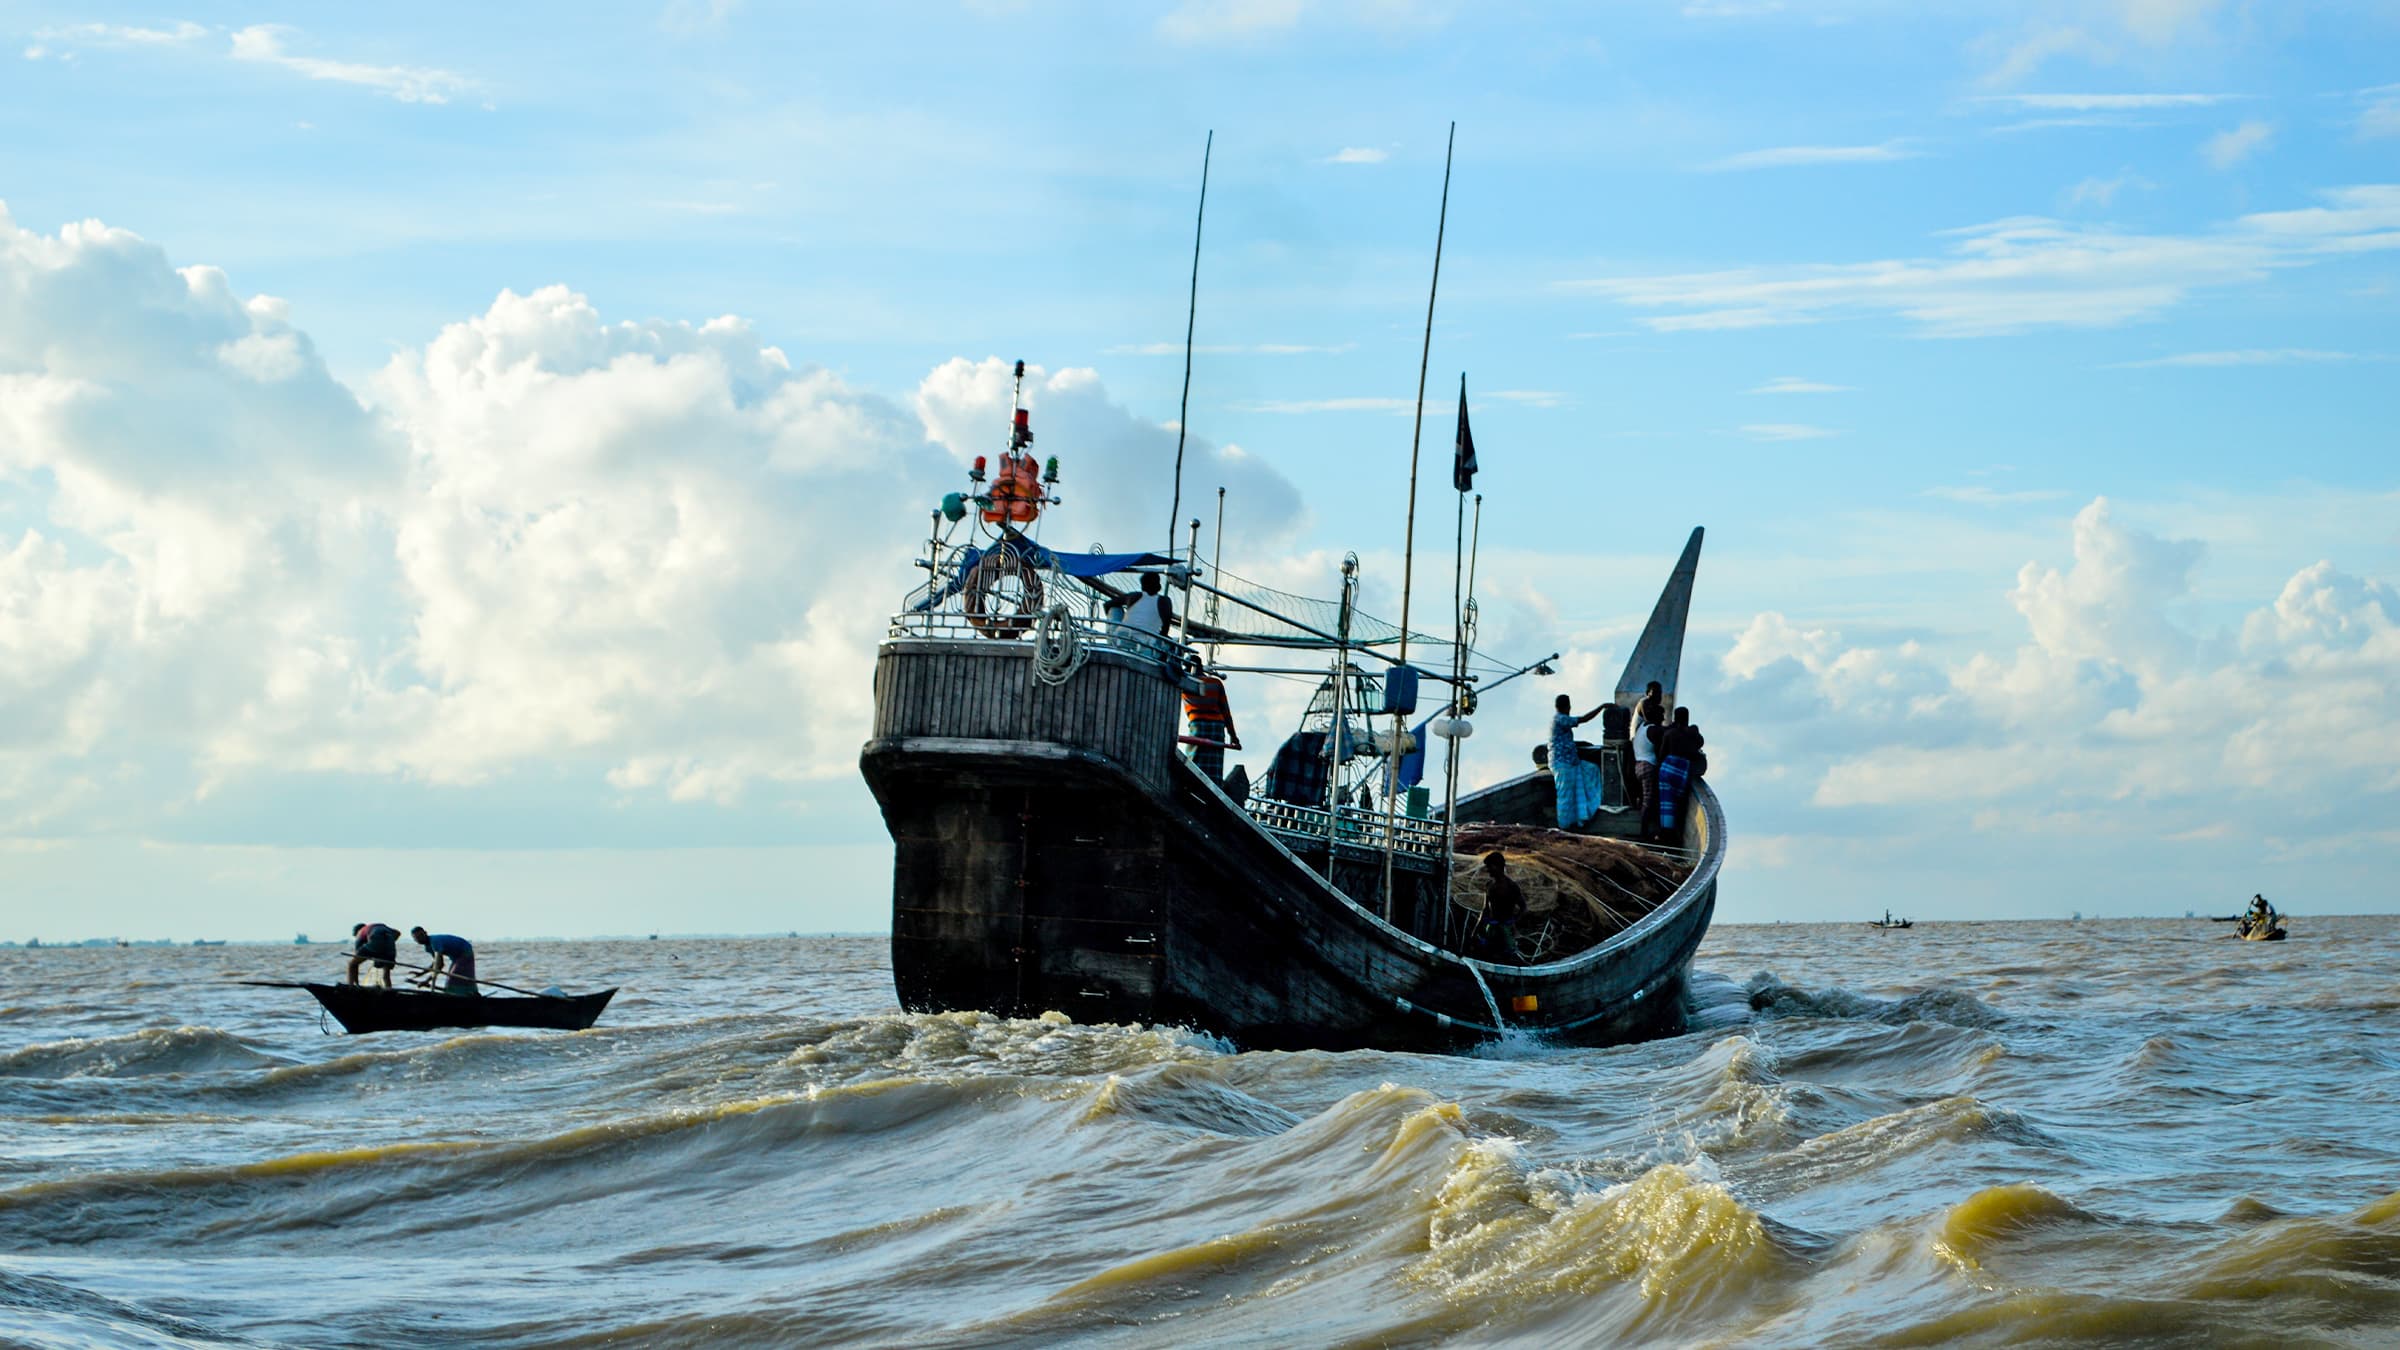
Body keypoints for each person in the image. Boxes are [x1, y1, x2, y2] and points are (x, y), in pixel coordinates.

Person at [1550, 695, 1607, 829]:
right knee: (1565, 796)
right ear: (1567, 707)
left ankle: (1578, 820)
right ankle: (1564, 827)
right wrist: (1602, 707)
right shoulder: (1560, 718)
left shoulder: (1558, 719)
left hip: (1571, 762)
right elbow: (1583, 719)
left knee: (1591, 770)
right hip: (1562, 763)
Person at [1655, 707, 1705, 840]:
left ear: (1674, 718)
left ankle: (1665, 833)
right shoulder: (1691, 733)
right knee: (1680, 804)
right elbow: (1700, 743)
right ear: (1687, 718)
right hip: (1683, 770)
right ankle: (1677, 834)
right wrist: (1694, 730)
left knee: (1666, 802)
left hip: (1667, 768)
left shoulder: (1670, 733)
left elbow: (1662, 754)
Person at [1182, 672, 1240, 781]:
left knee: (1193, 761)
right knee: (1215, 765)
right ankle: (1214, 784)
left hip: (1198, 725)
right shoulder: (1215, 683)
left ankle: (1191, 783)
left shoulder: (1185, 681)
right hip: (1217, 727)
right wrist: (1233, 735)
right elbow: (1225, 711)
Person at [1479, 850, 1525, 963]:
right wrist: (1478, 928)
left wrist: (1512, 922)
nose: (1488, 870)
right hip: (1491, 928)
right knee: (1485, 955)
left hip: (1505, 929)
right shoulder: (1489, 885)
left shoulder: (1512, 887)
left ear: (1498, 867)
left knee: (1506, 958)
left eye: (1490, 866)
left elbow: (1523, 907)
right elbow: (1485, 909)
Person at [409, 927, 480, 996]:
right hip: (455, 957)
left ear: (425, 933)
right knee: (457, 976)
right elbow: (436, 964)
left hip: (464, 952)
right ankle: (469, 994)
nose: (419, 939)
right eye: (416, 938)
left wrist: (427, 981)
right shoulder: (428, 948)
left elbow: (439, 965)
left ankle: (465, 994)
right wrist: (421, 973)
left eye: (421, 936)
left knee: (453, 977)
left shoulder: (435, 942)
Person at [1630, 700, 1664, 837]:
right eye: (1661, 715)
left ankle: (1648, 831)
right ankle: (1643, 834)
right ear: (1656, 716)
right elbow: (1663, 746)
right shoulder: (1654, 729)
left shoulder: (1642, 727)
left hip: (1638, 766)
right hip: (1648, 766)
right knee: (1648, 801)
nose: (1663, 718)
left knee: (1646, 800)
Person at [1117, 571, 1174, 646]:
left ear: (1142, 585)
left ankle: (1115, 630)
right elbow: (1165, 628)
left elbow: (1108, 604)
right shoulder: (1164, 601)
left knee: (1115, 608)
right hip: (1145, 645)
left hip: (1121, 638)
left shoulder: (1133, 596)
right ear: (1158, 585)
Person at [346, 922, 400, 987]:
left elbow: (356, 957)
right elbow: (397, 933)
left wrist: (356, 983)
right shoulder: (376, 927)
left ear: (357, 932)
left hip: (376, 939)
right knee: (386, 974)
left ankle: (350, 986)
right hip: (390, 945)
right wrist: (385, 944)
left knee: (351, 964)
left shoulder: (361, 932)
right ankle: (388, 989)